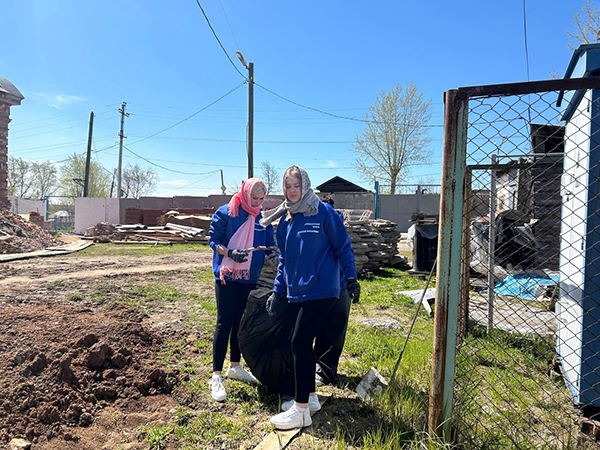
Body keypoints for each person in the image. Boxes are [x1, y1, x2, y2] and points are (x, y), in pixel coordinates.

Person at [260, 166, 360, 430]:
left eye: (296, 186)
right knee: (300, 344)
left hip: (323, 289)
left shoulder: (323, 212)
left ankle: (301, 410)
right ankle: (311, 398)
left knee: (300, 342)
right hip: (297, 292)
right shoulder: (286, 220)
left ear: (305, 185)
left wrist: (351, 278)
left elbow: (343, 246)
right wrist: (278, 291)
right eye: (287, 187)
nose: (292, 191)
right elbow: (285, 262)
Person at [208, 178, 275, 402]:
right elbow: (213, 240)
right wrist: (229, 253)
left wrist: (272, 254)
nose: (257, 202)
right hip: (227, 275)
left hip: (249, 276)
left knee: (240, 321)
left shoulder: (262, 217)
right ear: (245, 194)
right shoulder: (227, 212)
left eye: (261, 198)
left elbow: (268, 242)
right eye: (254, 198)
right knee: (224, 321)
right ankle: (216, 374)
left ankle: (235, 366)